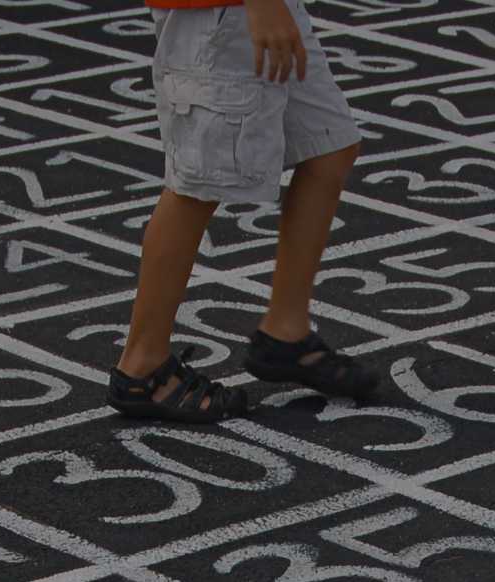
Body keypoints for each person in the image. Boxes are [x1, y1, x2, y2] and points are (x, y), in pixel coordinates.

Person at [108, 0, 378, 423]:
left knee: (330, 147)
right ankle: (141, 365)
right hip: (221, 15)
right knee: (196, 184)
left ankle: (285, 332)